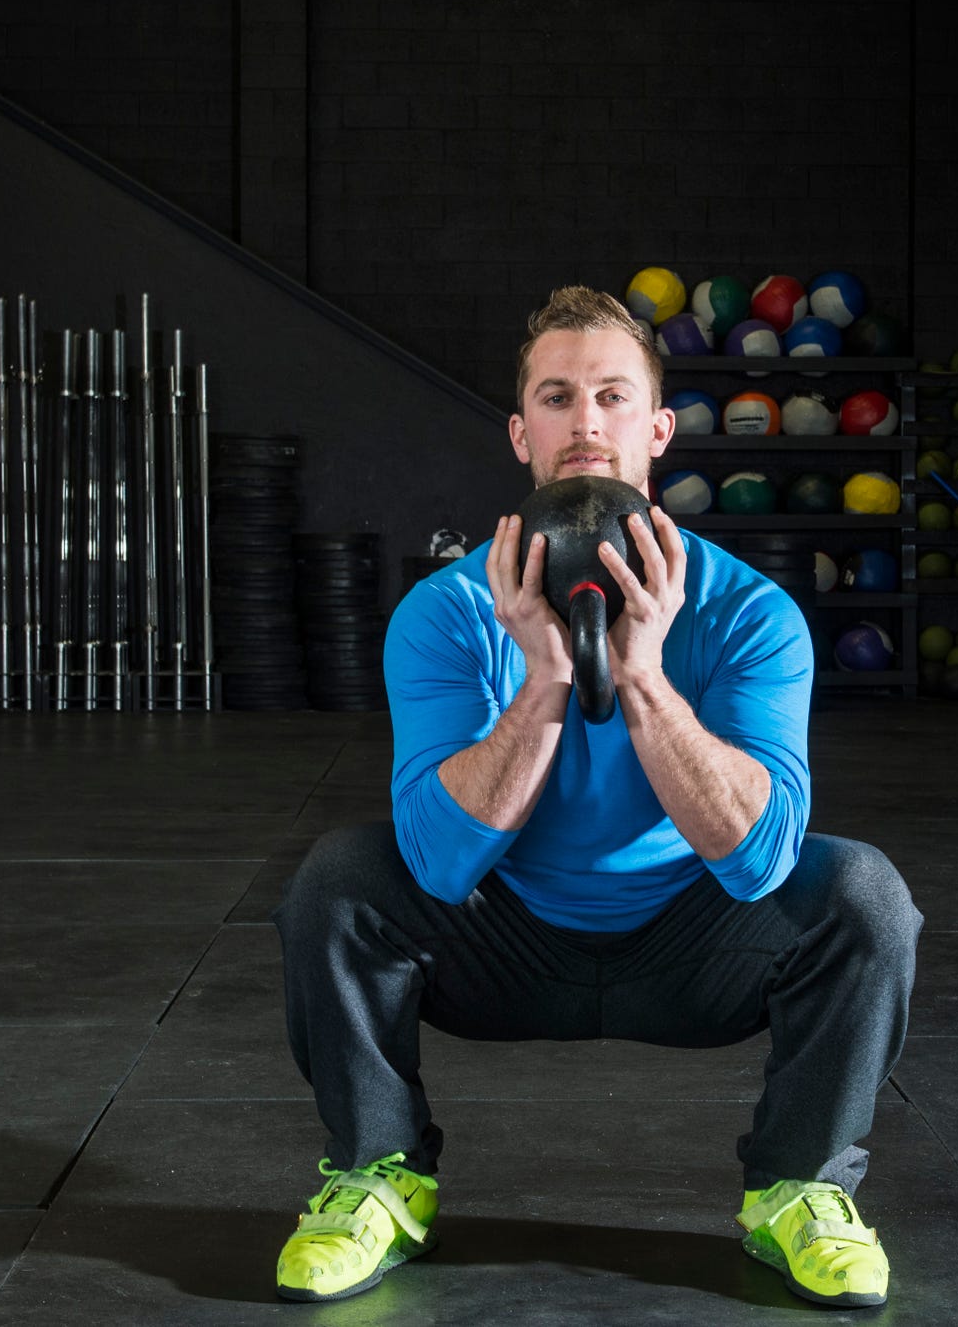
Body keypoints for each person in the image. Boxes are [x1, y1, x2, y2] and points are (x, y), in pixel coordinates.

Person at [271, 285, 923, 1308]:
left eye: (612, 396)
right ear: (519, 428)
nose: (585, 421)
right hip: (504, 943)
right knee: (339, 878)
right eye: (557, 396)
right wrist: (541, 679)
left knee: (862, 893)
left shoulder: (751, 612)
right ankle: (375, 1176)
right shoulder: (444, 615)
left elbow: (759, 859)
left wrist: (648, 675)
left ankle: (797, 1185)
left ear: (656, 428)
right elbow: (439, 863)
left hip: (693, 948)